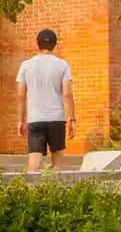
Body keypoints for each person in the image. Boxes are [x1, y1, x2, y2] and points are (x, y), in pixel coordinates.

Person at [15, 28, 77, 174]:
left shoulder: (26, 65)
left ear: (38, 44)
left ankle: (32, 194)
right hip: (56, 119)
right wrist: (72, 119)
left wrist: (21, 120)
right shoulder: (63, 65)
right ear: (55, 44)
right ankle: (55, 194)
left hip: (35, 119)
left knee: (34, 165)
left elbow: (20, 96)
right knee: (57, 164)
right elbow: (67, 94)